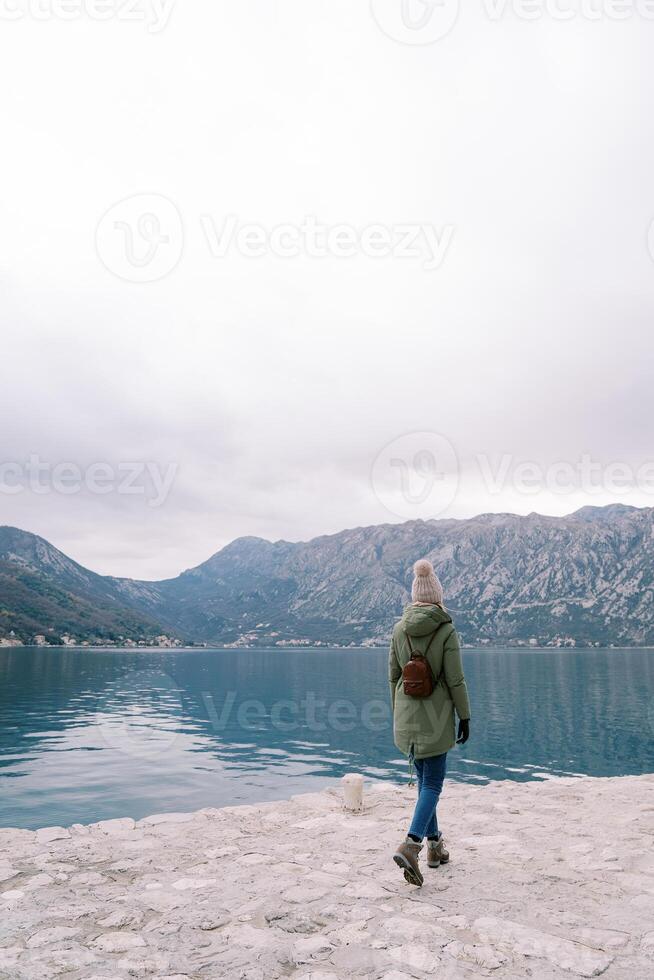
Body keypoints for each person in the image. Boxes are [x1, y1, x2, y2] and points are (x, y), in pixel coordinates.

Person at [389, 559, 471, 887]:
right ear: (438, 596)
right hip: (436, 719)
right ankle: (411, 844)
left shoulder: (398, 630)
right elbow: (456, 680)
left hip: (406, 719)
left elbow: (393, 677)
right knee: (434, 784)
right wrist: (464, 716)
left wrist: (398, 713)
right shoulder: (446, 629)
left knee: (425, 785)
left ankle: (436, 848)